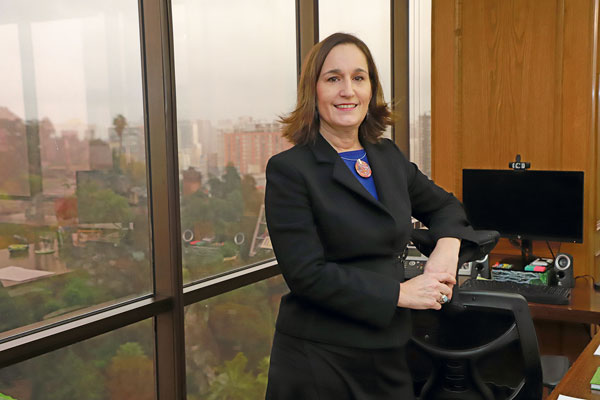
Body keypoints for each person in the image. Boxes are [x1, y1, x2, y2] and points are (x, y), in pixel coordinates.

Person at [264, 32, 478, 399]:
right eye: (334, 79)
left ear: (371, 89)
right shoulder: (289, 170)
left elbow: (445, 206)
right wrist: (398, 293)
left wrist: (446, 247)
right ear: (313, 92)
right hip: (320, 357)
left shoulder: (387, 157)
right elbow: (307, 275)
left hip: (390, 346)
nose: (348, 90)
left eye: (358, 78)